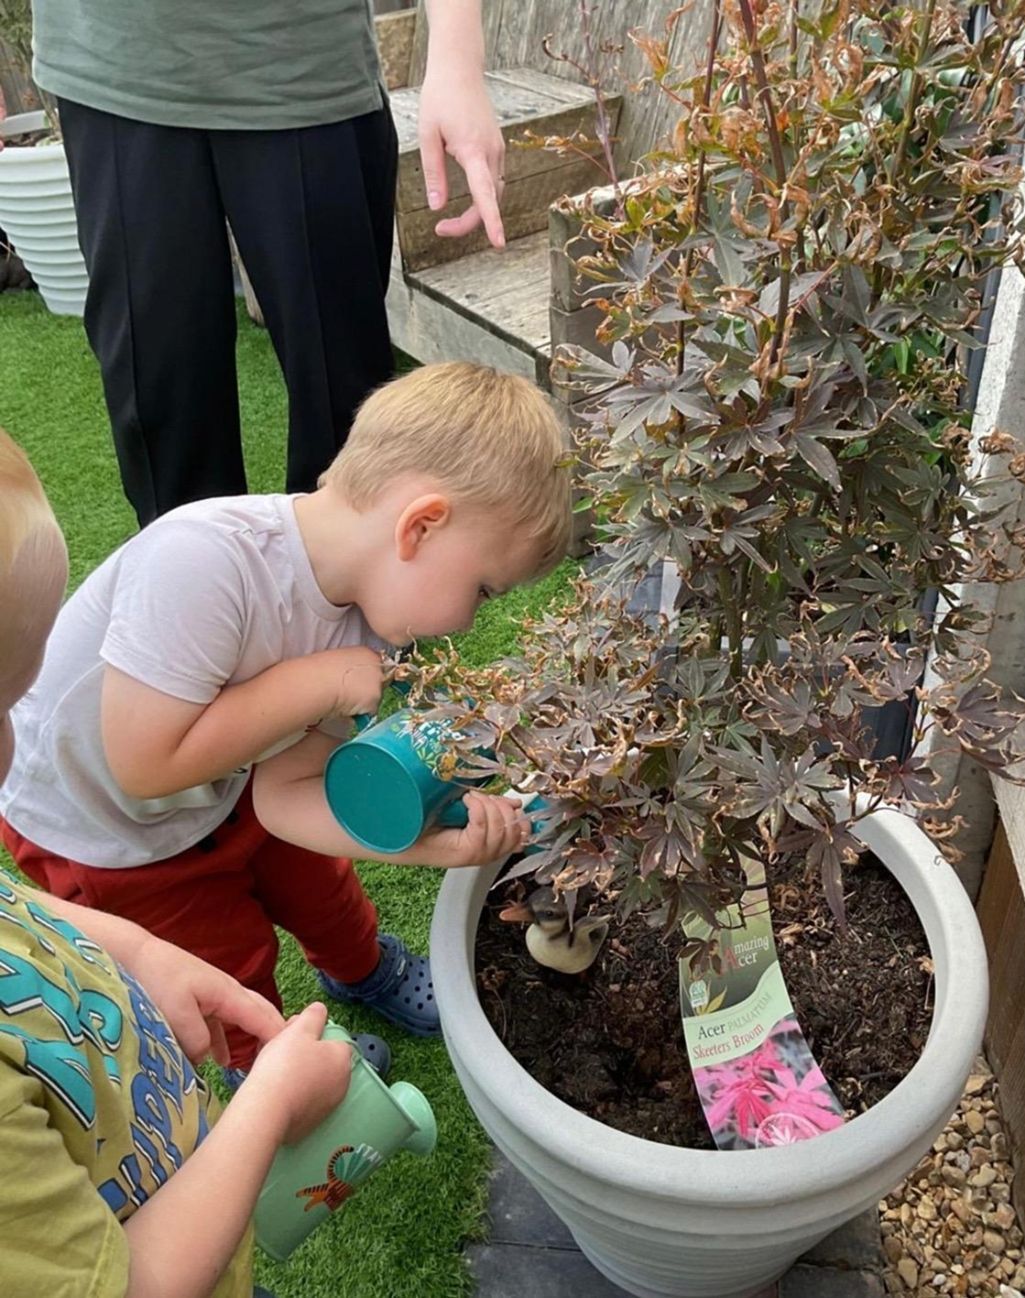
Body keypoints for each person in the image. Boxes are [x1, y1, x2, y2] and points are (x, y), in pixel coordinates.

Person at [0, 361, 571, 1080]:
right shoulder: (206, 559)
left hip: (224, 784)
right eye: (483, 590)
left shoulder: (370, 624)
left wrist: (426, 844)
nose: (471, 616)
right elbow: (142, 764)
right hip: (106, 831)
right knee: (221, 955)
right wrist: (319, 683)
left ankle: (362, 969)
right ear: (420, 525)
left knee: (321, 886)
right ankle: (268, 1064)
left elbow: (283, 796)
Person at [0, 425, 357, 1297]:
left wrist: (139, 954)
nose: (19, 737)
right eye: (2, 702)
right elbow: (135, 1285)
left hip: (170, 1185)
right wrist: (269, 1102)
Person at [30, 0, 507, 527]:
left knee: (348, 428)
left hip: (303, 67)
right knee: (165, 426)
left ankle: (349, 607)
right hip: (111, 63)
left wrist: (457, 61)